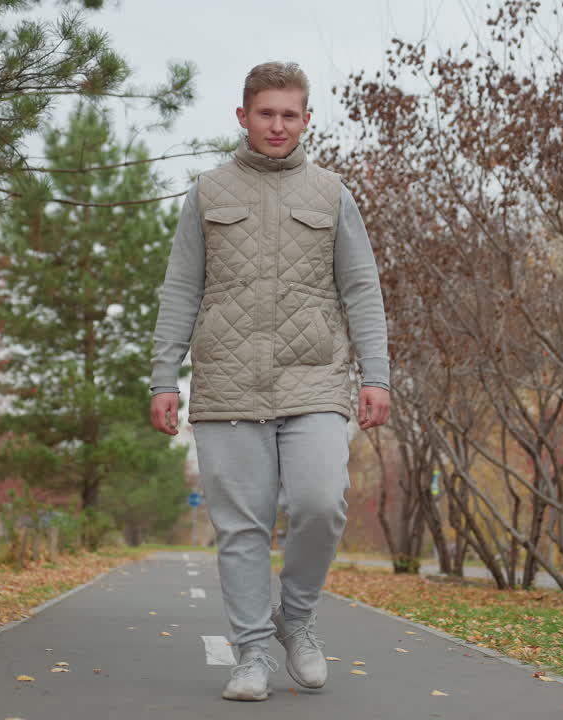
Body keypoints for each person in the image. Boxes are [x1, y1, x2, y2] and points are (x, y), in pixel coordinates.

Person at [149, 61, 390, 702]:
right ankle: (252, 652)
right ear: (243, 117)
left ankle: (298, 619)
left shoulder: (333, 193)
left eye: (290, 114)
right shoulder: (207, 191)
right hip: (227, 385)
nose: (277, 124)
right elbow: (181, 288)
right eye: (266, 113)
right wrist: (163, 378)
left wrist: (377, 375)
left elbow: (360, 287)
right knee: (242, 527)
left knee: (320, 502)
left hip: (313, 380)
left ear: (307, 120)